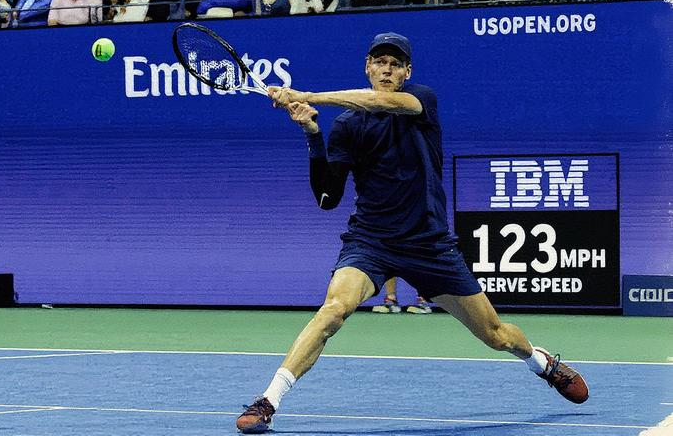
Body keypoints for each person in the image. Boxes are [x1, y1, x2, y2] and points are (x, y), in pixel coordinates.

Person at [235, 32, 589, 434]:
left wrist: (310, 95)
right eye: (379, 62)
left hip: (429, 244)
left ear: (407, 72)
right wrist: (313, 135)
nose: (386, 70)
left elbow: (382, 102)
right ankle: (268, 401)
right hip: (371, 241)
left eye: (395, 64)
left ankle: (541, 364)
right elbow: (327, 198)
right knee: (333, 310)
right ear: (367, 67)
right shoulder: (348, 127)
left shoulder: (420, 101)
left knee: (495, 335)